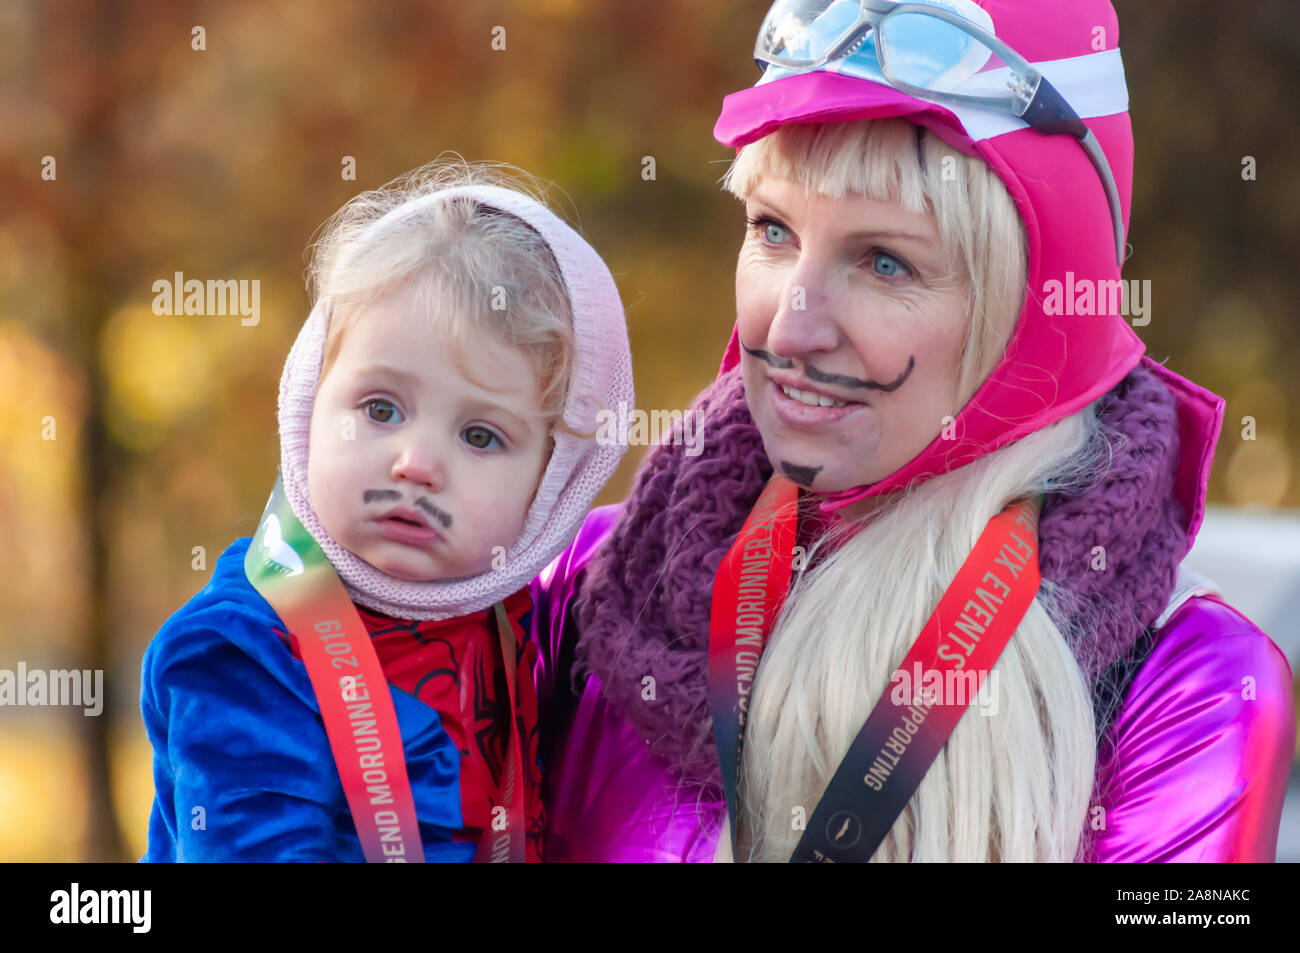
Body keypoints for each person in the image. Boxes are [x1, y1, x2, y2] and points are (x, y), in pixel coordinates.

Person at [531, 0, 1294, 862]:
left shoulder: (1194, 682)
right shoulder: (594, 583)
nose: (790, 328)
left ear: (1036, 312)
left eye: (885, 262)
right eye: (772, 231)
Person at [140, 160, 633, 861]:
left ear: (549, 485)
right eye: (380, 408)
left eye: (481, 435)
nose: (417, 464)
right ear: (311, 402)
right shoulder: (247, 652)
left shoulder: (514, 624)